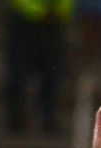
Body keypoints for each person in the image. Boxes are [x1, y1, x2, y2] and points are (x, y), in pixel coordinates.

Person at [6, 0, 71, 135]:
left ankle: (48, 120)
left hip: (51, 23)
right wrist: (39, 11)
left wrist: (58, 12)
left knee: (51, 76)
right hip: (25, 21)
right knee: (18, 75)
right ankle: (16, 120)